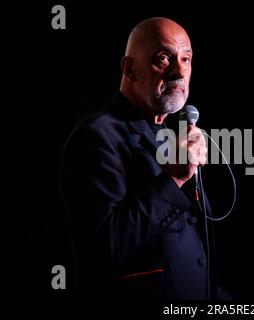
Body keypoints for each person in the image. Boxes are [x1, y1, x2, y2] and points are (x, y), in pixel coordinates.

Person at [60, 17, 222, 300]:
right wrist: (174, 178)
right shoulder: (96, 135)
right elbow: (103, 249)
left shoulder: (171, 135)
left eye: (186, 59)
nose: (179, 72)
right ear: (129, 69)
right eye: (163, 58)